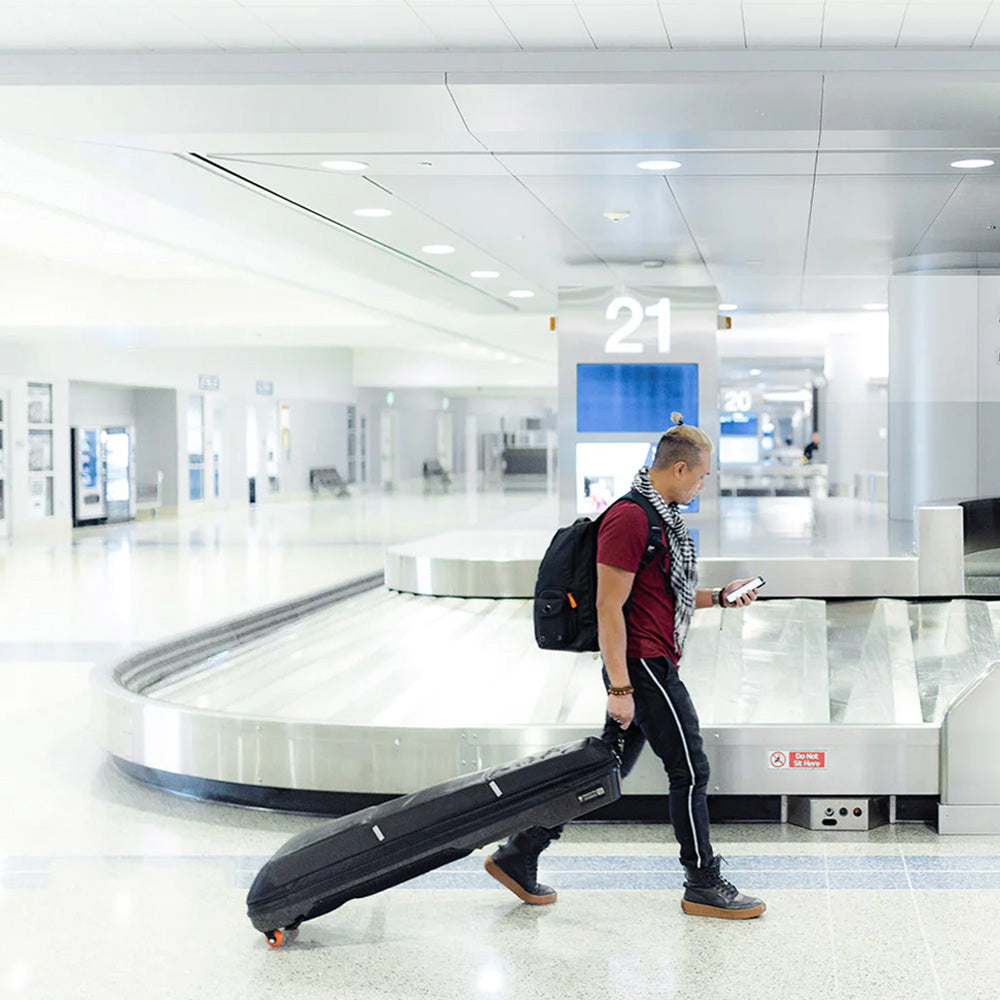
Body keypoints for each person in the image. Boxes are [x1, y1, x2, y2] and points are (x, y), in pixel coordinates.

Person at [485, 413, 766, 919]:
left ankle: (520, 851)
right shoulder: (631, 518)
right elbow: (609, 607)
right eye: (702, 477)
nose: (703, 486)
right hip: (642, 666)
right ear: (679, 469)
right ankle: (702, 881)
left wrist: (719, 599)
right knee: (690, 770)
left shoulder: (662, 520)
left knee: (605, 769)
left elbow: (659, 597)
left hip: (649, 661)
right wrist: (619, 686)